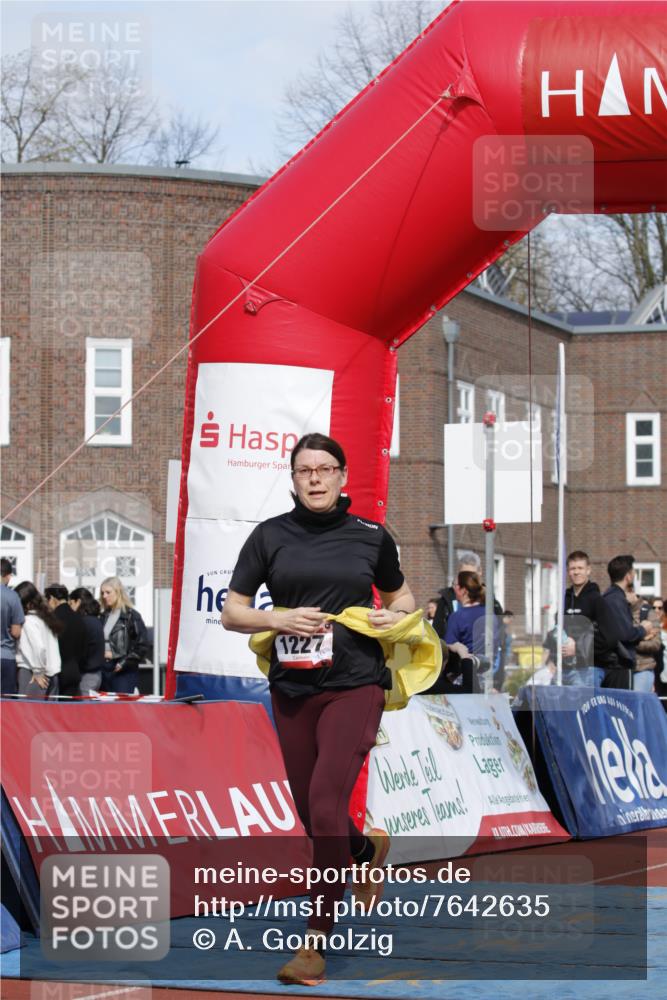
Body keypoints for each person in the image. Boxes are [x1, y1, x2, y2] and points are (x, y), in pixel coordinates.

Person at [221, 432, 417, 986]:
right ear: (292, 477)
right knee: (313, 814)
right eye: (304, 469)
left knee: (328, 799)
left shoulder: (371, 537)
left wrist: (392, 617)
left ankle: (314, 941)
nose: (315, 478)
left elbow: (403, 598)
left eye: (325, 469)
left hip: (356, 685)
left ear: (341, 477)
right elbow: (234, 612)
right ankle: (365, 847)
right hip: (293, 687)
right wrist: (278, 619)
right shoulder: (269, 537)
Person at [594, 555, 657, 689]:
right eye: (633, 571)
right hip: (618, 665)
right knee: (622, 708)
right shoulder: (616, 599)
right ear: (628, 576)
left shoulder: (610, 597)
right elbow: (625, 635)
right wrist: (643, 629)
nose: (634, 575)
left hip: (613, 664)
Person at [99, 577, 148, 694]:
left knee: (121, 709)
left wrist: (123, 663)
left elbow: (142, 645)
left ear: (118, 592)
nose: (104, 596)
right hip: (104, 670)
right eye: (102, 593)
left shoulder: (132, 616)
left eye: (108, 592)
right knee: (103, 709)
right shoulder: (103, 616)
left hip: (123, 671)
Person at [559, 550, 601, 685]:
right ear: (568, 571)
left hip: (587, 667)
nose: (576, 572)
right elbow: (557, 627)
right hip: (565, 666)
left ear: (588, 570)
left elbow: (601, 634)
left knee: (584, 705)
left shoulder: (596, 599)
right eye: (572, 568)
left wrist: (577, 648)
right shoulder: (563, 598)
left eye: (580, 568)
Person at [14, 581, 61, 699]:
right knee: (47, 715)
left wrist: (38, 671)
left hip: (32, 672)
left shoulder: (28, 621)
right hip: (52, 672)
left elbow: (38, 648)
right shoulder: (47, 618)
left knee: (28, 714)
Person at [45, 584, 88, 698]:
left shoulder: (52, 619)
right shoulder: (79, 618)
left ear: (53, 599)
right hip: (74, 670)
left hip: (56, 673)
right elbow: (83, 648)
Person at [445, 571, 498, 660]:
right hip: (490, 666)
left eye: (455, 585)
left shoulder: (457, 617)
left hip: (469, 666)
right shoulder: (490, 613)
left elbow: (449, 643)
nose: (453, 588)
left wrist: (458, 647)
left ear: (463, 590)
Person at [69, 587, 105, 694]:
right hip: (96, 673)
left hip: (87, 675)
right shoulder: (95, 620)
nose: (70, 608)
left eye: (71, 603)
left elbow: (81, 651)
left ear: (78, 602)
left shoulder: (84, 623)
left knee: (82, 708)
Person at [626, 588, 661, 693]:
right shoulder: (617, 611)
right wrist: (642, 636)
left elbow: (655, 644)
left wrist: (631, 642)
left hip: (642, 668)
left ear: (631, 591)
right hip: (621, 670)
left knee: (636, 704)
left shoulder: (648, 612)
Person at [1, 557, 24, 695]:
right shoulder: (12, 596)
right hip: (5, 656)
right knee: (6, 704)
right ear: (8, 575)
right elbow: (16, 632)